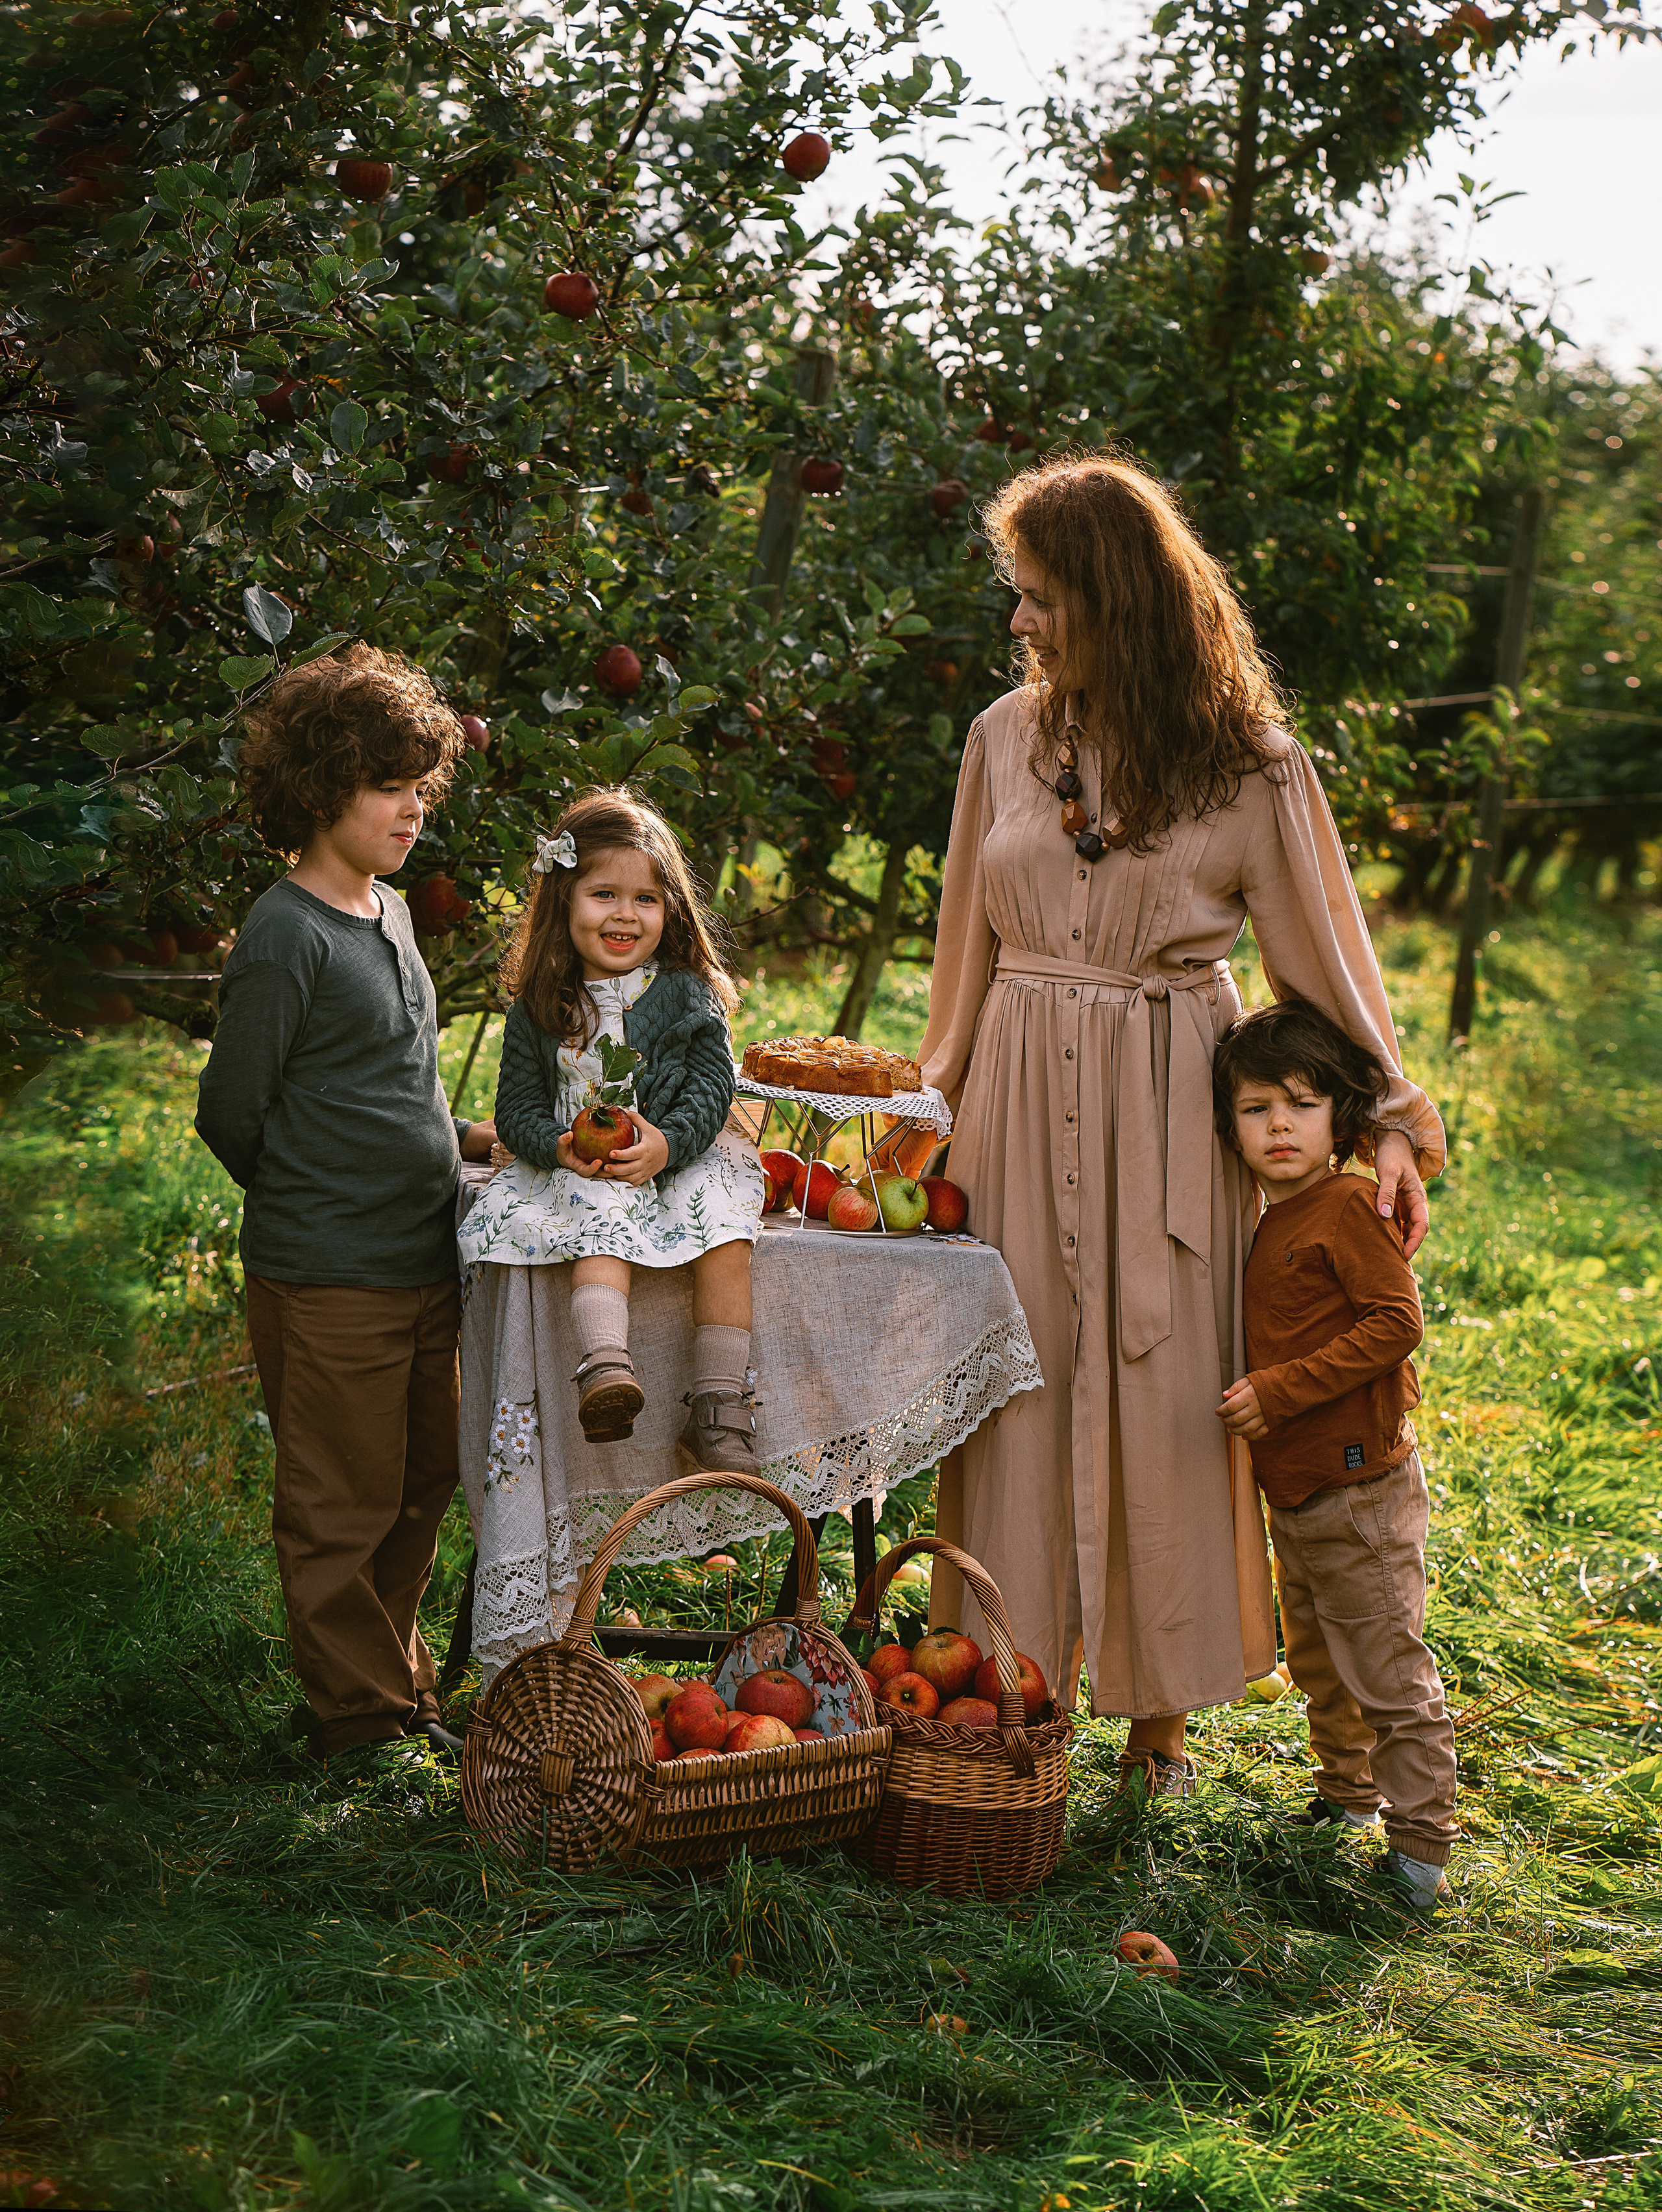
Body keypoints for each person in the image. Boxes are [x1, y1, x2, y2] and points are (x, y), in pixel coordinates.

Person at [917, 452, 1445, 1795]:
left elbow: (1316, 955)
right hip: (1020, 1091)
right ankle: (1004, 1683)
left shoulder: (1248, 765)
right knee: (1014, 1387)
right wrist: (935, 1099)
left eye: (1040, 598)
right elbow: (962, 949)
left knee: (1168, 1390)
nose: (1020, 624)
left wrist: (1384, 1115)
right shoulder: (1000, 738)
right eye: (1016, 597)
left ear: (1112, 595)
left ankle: (1156, 1712)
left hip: (1168, 1092)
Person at [195, 644, 498, 1763]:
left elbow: (391, 1074)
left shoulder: (389, 908)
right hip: (331, 1274)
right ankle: (360, 1728)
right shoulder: (288, 932)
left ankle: (397, 1680)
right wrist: (316, 1207)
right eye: (390, 785)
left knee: (422, 1482)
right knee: (341, 1502)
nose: (413, 807)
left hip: (424, 1261)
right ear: (324, 787)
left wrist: (458, 1136)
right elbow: (233, 1109)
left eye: (422, 785)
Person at [1213, 998, 1456, 1908]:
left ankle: (1423, 1850)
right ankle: (1347, 1797)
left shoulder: (1349, 1205)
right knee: (1319, 1659)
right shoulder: (1265, 1216)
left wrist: (1281, 1390)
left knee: (1387, 1665)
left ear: (1341, 1119)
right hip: (1301, 1489)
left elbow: (1398, 1321)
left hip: (1362, 1484)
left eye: (1303, 1104)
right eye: (1255, 1109)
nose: (1279, 1124)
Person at [458, 787, 764, 1469]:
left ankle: (717, 1403)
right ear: (564, 900)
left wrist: (668, 1142)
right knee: (592, 1206)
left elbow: (712, 1087)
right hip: (586, 1163)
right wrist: (555, 1147)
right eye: (604, 895)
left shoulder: (687, 992)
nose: (626, 914)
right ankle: (606, 1368)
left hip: (678, 1156)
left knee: (726, 1225)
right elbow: (518, 1109)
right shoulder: (541, 1005)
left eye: (646, 900)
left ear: (670, 909)